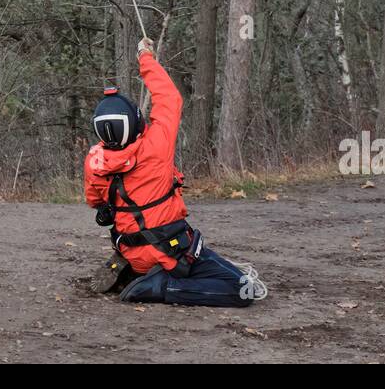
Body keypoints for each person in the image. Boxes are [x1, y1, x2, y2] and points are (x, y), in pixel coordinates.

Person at [84, 37, 267, 306]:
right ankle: (160, 286)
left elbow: (95, 202)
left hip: (130, 248)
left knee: (226, 273)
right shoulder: (156, 145)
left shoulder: (95, 162)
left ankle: (137, 270)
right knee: (243, 290)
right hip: (167, 251)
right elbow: (168, 98)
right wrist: (145, 56)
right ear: (136, 121)